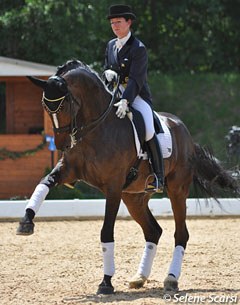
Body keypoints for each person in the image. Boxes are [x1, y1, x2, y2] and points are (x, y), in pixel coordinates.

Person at [103, 4, 164, 193]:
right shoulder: (111, 45)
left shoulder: (138, 48)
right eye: (112, 23)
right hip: (114, 93)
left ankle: (158, 177)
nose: (115, 26)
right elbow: (106, 65)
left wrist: (126, 100)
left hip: (136, 95)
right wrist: (107, 73)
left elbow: (137, 79)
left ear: (129, 22)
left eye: (119, 22)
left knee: (147, 128)